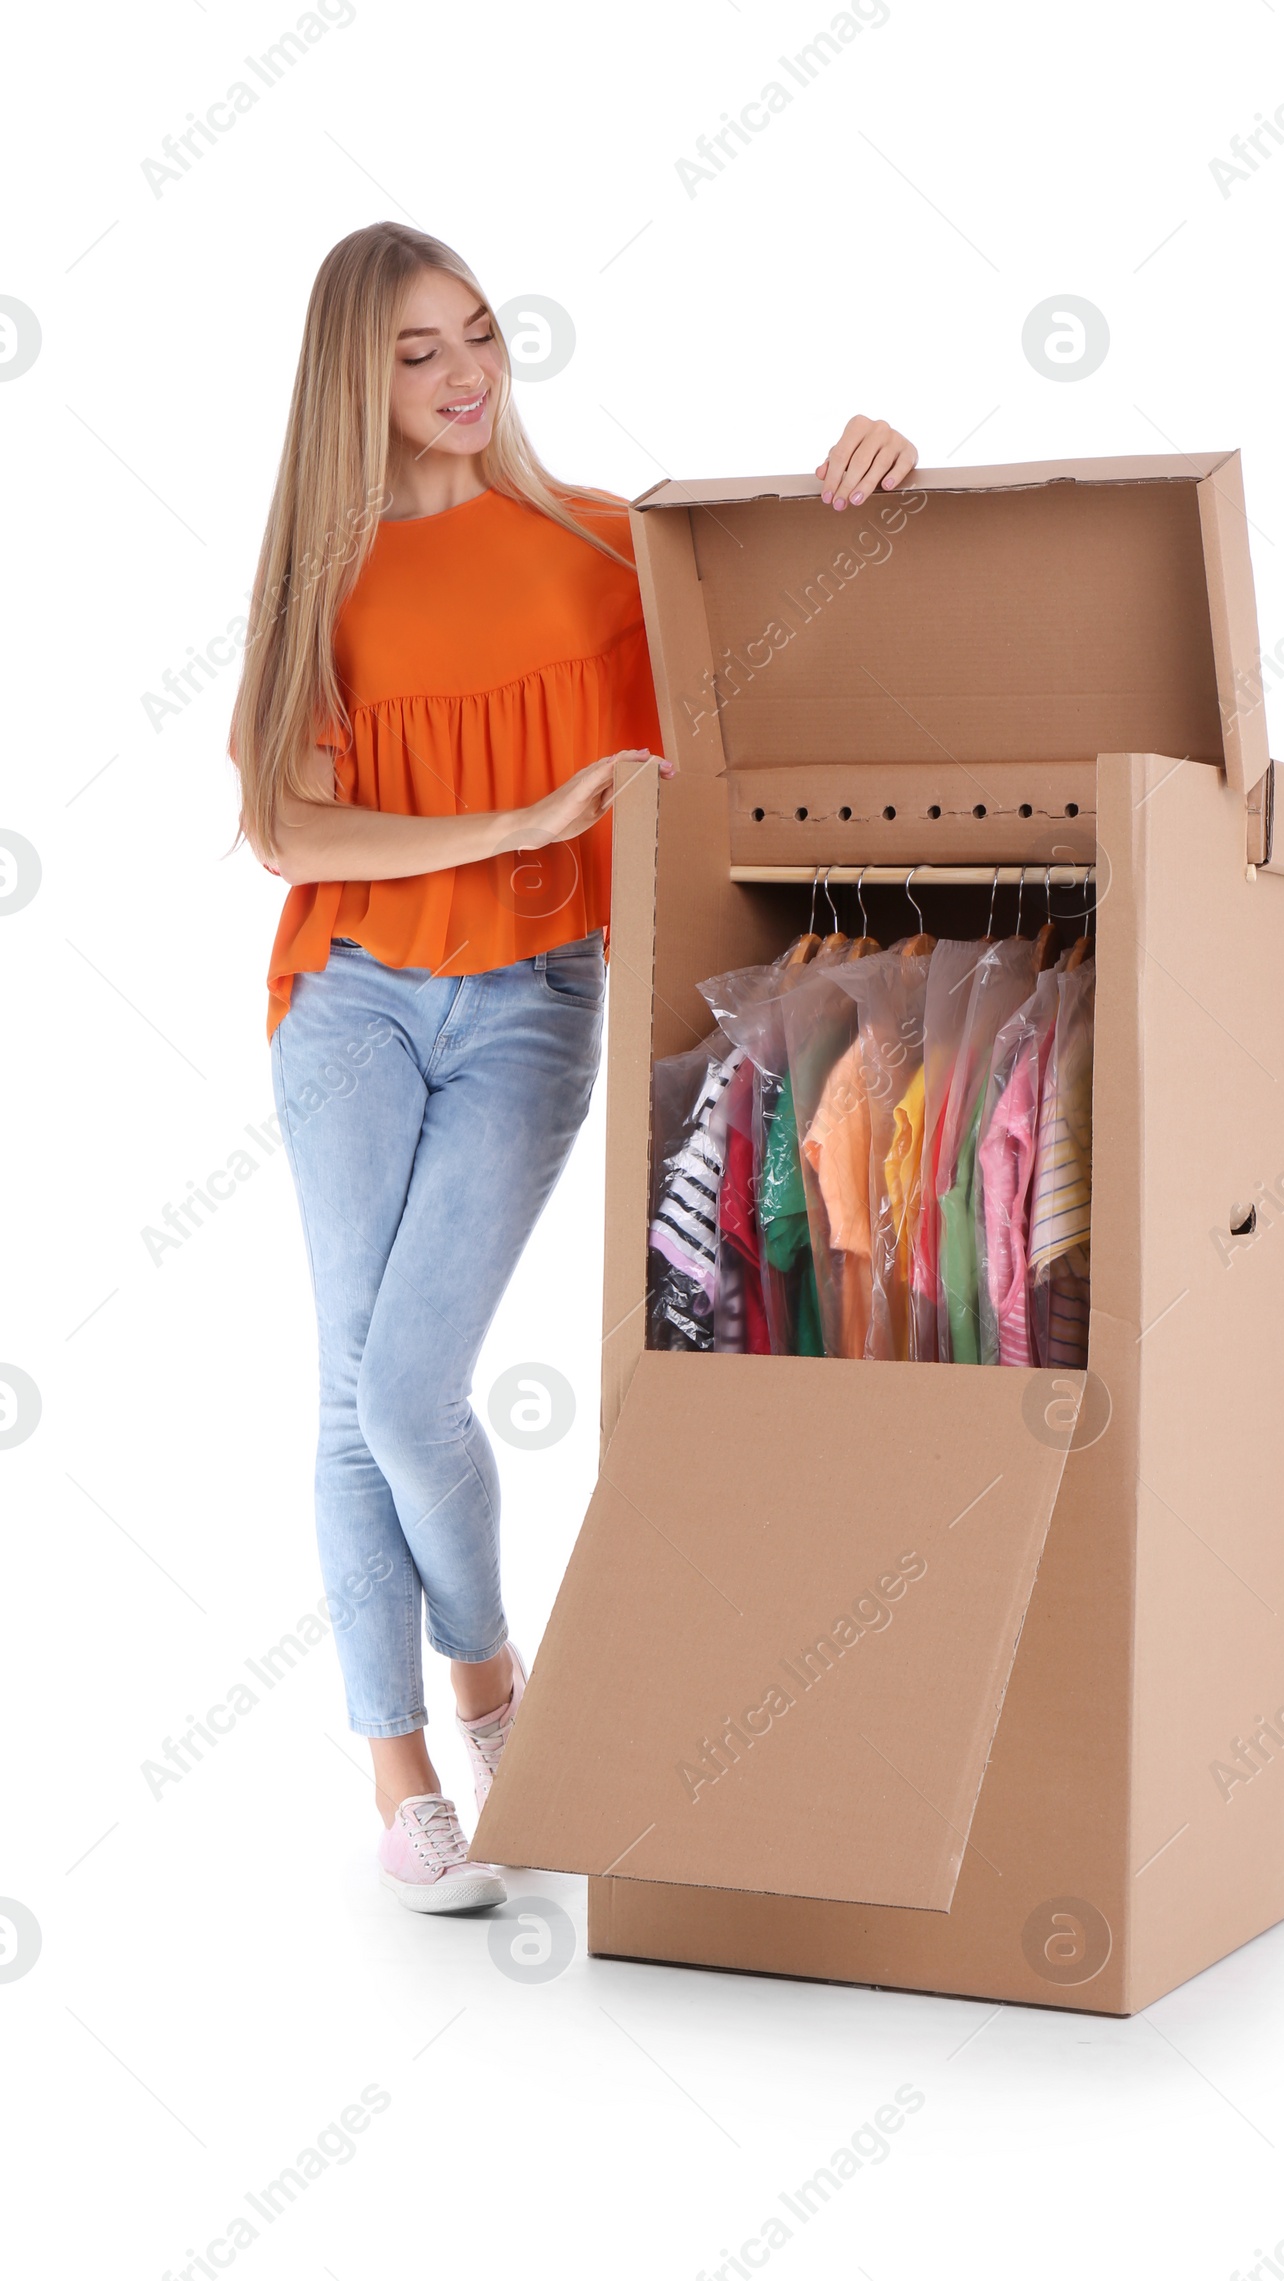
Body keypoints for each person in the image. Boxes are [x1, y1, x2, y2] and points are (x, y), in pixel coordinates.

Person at [229, 220, 917, 1913]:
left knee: (405, 1389)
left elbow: (796, 627)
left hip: (537, 999)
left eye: (479, 335)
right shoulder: (318, 569)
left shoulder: (605, 545)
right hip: (352, 991)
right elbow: (279, 822)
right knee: (351, 1390)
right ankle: (406, 1761)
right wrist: (520, 814)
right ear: (353, 380)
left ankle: (489, 1682)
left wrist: (876, 479)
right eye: (417, 352)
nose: (467, 375)